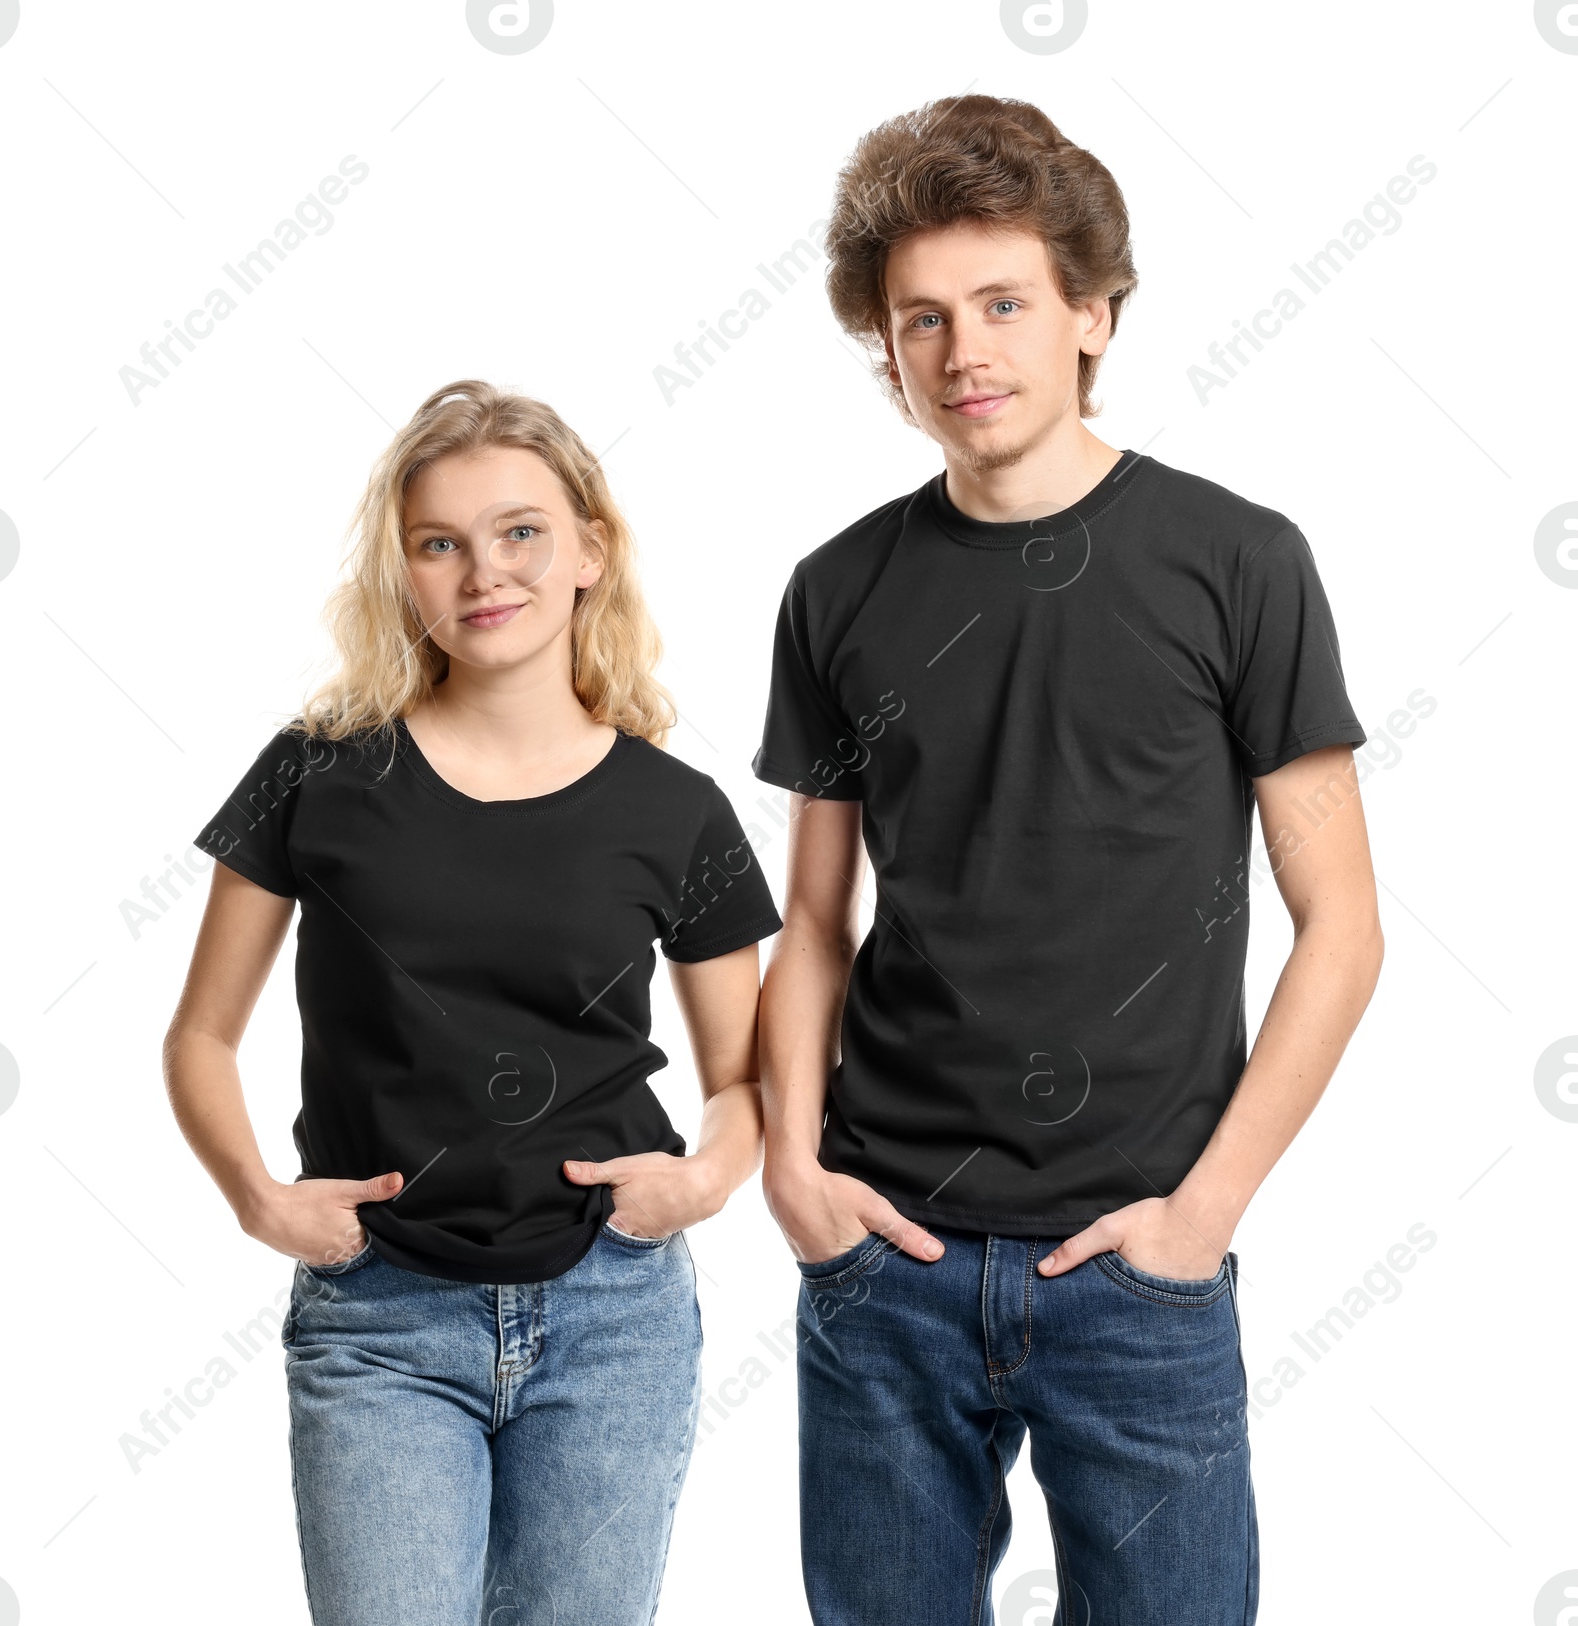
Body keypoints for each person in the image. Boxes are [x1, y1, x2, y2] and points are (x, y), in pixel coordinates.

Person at [753, 96, 1383, 1625]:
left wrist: (1203, 1213)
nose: (962, 348)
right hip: (884, 1255)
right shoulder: (838, 590)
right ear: (886, 351)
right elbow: (817, 922)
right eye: (920, 319)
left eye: (1004, 303)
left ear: (1091, 313)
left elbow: (1342, 923)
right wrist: (792, 1166)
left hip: (1137, 1265)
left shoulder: (1238, 563)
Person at [163, 380, 782, 1626]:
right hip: (379, 1315)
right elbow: (200, 1035)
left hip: (613, 1315)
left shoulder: (677, 811)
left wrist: (707, 1181)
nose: (481, 573)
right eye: (438, 543)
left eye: (519, 533)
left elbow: (748, 1077)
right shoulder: (317, 771)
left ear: (587, 554)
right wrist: (255, 1198)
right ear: (403, 572)